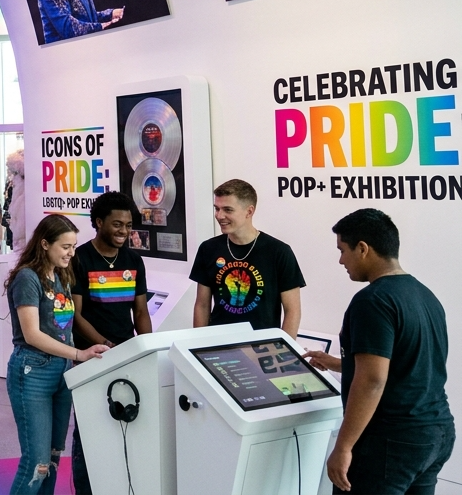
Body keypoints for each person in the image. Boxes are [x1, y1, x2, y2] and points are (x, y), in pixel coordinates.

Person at [305, 209, 453, 495]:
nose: (340, 260)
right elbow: (411, 362)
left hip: (390, 442)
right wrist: (339, 364)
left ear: (363, 249)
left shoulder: (372, 300)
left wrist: (344, 447)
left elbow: (373, 380)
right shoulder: (425, 295)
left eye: (343, 250)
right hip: (435, 433)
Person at [6, 215, 108, 495]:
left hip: (61, 373)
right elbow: (32, 335)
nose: (71, 253)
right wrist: (79, 353)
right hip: (32, 372)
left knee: (52, 458)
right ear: (44, 244)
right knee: (36, 463)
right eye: (65, 246)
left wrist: (75, 357)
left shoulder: (60, 274)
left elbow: (64, 328)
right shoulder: (27, 277)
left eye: (73, 246)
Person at [69, 191, 151, 495]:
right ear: (99, 222)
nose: (124, 232)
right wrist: (104, 345)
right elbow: (76, 316)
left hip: (126, 356)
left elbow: (140, 311)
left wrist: (145, 348)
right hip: (91, 357)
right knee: (88, 430)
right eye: (117, 224)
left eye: (128, 226)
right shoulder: (79, 258)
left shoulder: (133, 260)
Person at [190, 179, 304, 334]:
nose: (219, 215)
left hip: (262, 347)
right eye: (217, 209)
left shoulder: (278, 252)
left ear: (249, 212)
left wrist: (285, 351)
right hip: (218, 343)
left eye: (228, 210)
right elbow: (202, 305)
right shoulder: (208, 249)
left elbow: (292, 311)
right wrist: (199, 342)